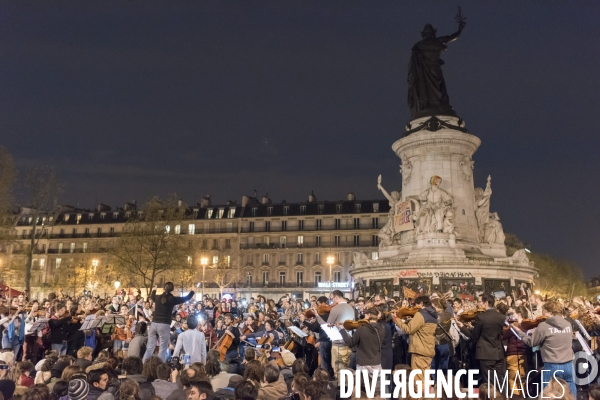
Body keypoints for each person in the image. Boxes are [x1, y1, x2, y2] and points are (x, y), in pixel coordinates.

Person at [512, 299, 576, 397]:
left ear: (550, 312)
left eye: (544, 310)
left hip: (552, 365)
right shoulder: (567, 324)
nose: (542, 313)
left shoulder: (544, 326)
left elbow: (531, 342)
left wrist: (520, 332)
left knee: (548, 392)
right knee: (570, 390)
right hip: (568, 364)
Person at [143, 283, 194, 362]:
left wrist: (154, 290)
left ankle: (144, 366)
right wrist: (192, 291)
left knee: (150, 348)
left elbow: (152, 296)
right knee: (162, 349)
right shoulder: (172, 299)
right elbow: (186, 298)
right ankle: (160, 368)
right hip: (164, 325)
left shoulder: (157, 297)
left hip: (154, 324)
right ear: (172, 289)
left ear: (164, 288)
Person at [393, 295, 437, 383]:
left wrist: (396, 320)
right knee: (426, 378)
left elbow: (409, 329)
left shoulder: (421, 314)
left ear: (421, 303)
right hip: (428, 350)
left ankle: (419, 396)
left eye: (416, 304)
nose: (414, 308)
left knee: (418, 379)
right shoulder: (433, 315)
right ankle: (427, 396)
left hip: (419, 351)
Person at [312, 290, 355, 381]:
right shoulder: (351, 308)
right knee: (347, 369)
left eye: (332, 299)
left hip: (338, 342)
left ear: (336, 297)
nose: (331, 301)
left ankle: (341, 391)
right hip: (349, 341)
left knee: (338, 370)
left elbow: (327, 326)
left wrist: (317, 315)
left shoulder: (335, 309)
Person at [470, 294, 506, 383]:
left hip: (486, 353)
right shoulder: (501, 317)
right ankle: (500, 396)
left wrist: (465, 328)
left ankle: (491, 397)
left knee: (489, 381)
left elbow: (475, 336)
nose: (477, 304)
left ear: (486, 303)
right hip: (498, 352)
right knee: (499, 380)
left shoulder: (481, 317)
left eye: (479, 301)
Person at [337, 308, 384, 376]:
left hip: (363, 364)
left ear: (369, 315)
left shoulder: (362, 329)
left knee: (363, 385)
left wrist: (342, 330)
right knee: (375, 385)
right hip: (377, 363)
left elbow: (350, 343)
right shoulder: (382, 329)